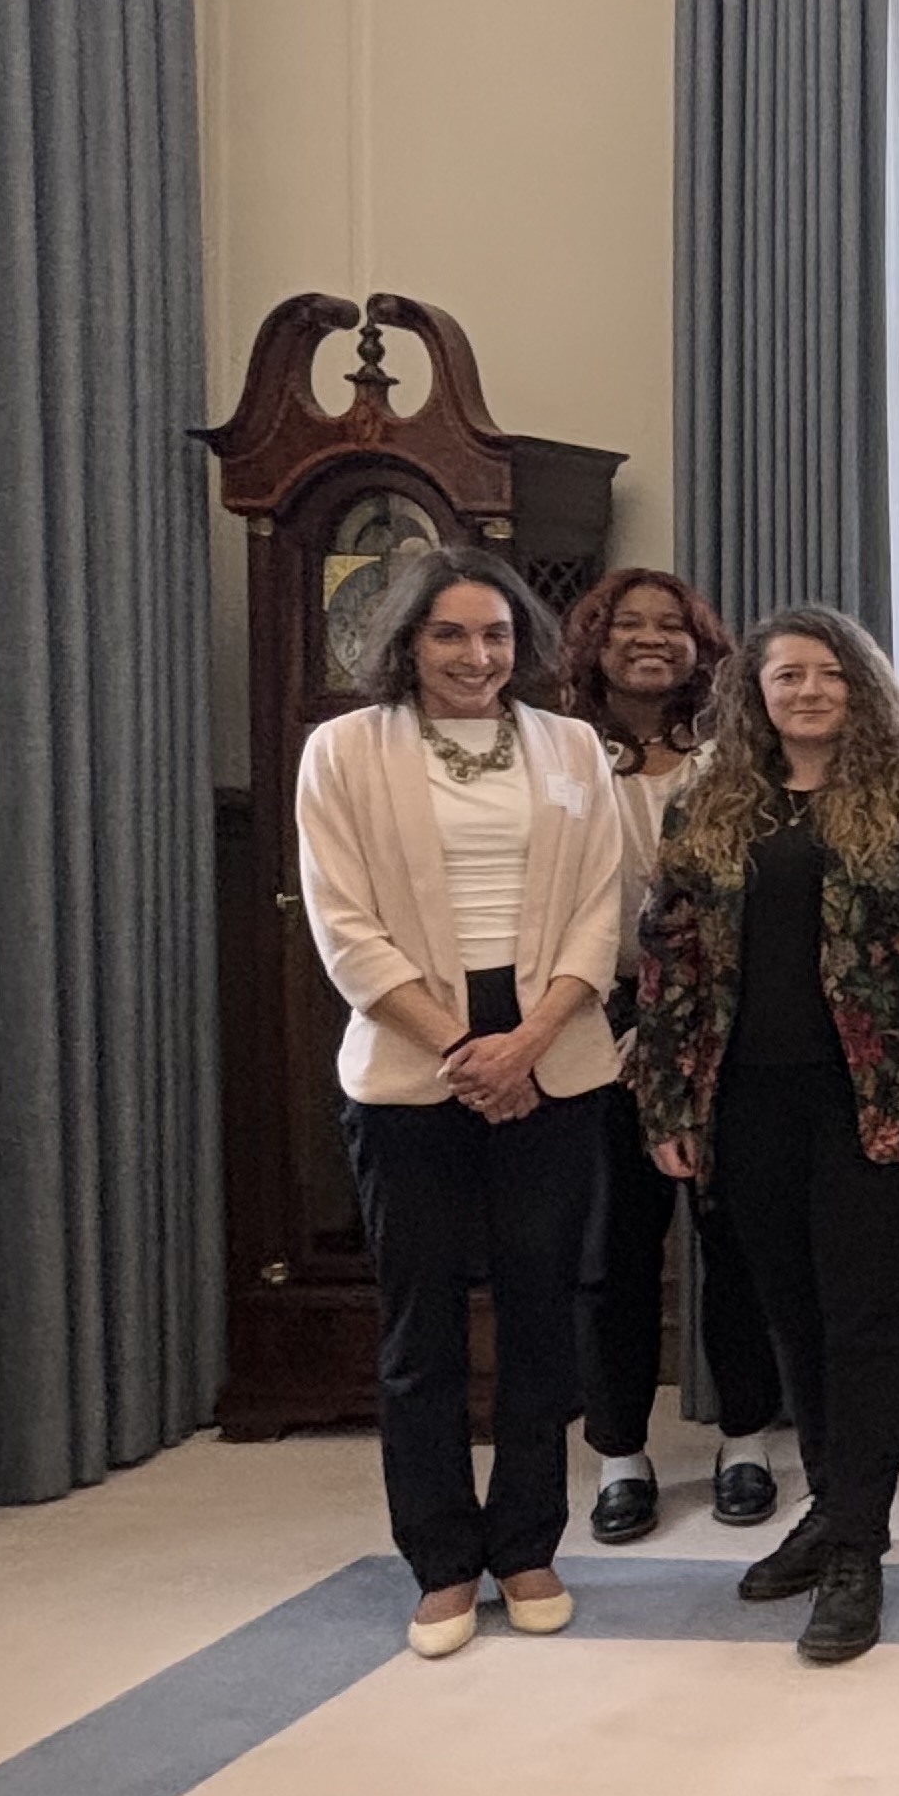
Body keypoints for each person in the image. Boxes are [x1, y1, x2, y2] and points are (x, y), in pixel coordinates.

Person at [631, 608, 899, 1666]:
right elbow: (670, 962)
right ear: (757, 691)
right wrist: (669, 1110)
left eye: (830, 674)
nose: (809, 691)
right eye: (788, 675)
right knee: (793, 1316)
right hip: (744, 1105)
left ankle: (860, 1548)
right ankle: (831, 1506)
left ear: (861, 688)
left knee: (867, 1322)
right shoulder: (708, 803)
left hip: (875, 1103)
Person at [294, 547, 626, 1661]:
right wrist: (465, 1051)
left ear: (518, 644)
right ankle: (440, 1560)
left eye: (493, 636)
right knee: (421, 1325)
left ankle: (527, 1545)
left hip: (553, 1057)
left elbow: (600, 910)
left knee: (542, 1311)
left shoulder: (570, 746)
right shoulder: (343, 751)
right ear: (409, 643)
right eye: (450, 636)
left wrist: (528, 1043)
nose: (476, 657)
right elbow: (345, 930)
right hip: (410, 1062)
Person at [556, 567, 785, 1543]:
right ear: (595, 642)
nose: (650, 640)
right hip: (589, 1024)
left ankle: (745, 1440)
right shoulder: (558, 755)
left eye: (671, 626)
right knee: (611, 1254)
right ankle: (620, 1456)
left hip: (723, 1027)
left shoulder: (738, 754)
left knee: (735, 1240)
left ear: (702, 646)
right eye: (627, 625)